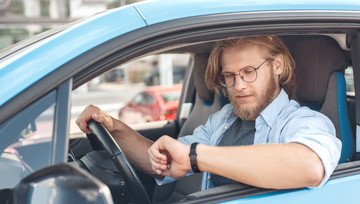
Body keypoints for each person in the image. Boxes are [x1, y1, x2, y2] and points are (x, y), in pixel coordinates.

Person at [76, 35, 341, 191]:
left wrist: (195, 157)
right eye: (229, 76)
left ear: (278, 66)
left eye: (249, 72)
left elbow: (310, 165)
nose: (238, 86)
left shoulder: (302, 121)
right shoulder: (223, 120)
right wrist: (115, 128)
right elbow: (164, 161)